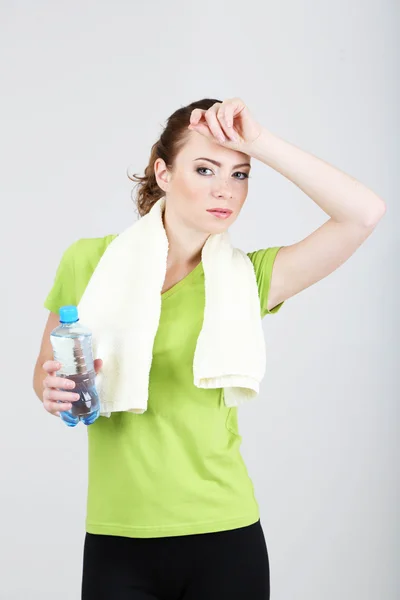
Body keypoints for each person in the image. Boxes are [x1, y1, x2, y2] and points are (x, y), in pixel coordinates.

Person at [32, 97, 386, 599]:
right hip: (118, 536)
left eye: (240, 174)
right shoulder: (89, 262)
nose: (226, 189)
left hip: (224, 537)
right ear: (163, 173)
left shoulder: (250, 279)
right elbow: (46, 374)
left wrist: (259, 142)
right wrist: (53, 391)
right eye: (205, 168)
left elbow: (364, 213)